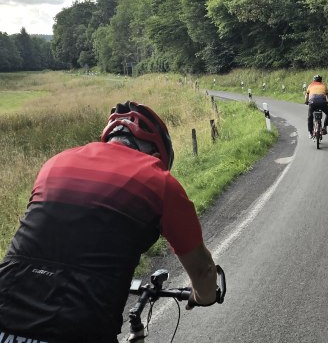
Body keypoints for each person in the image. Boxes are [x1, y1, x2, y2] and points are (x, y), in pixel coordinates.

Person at [0, 101, 221, 343]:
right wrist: (202, 296)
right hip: (79, 326)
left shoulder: (54, 163)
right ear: (158, 154)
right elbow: (203, 270)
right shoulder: (159, 180)